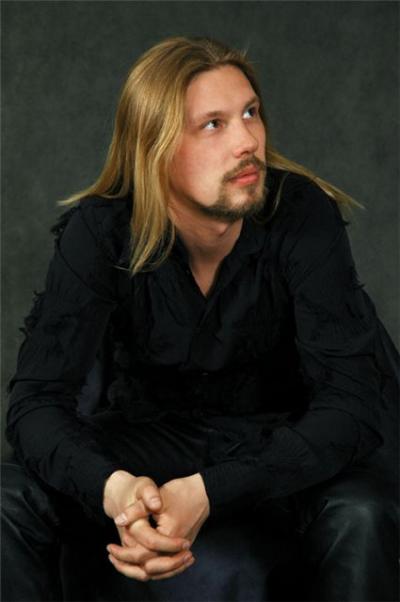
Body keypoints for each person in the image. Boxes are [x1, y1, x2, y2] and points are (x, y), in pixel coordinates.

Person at [2, 36, 399, 602]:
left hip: (281, 437)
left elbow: (351, 405)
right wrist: (116, 489)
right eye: (214, 124)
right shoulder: (100, 231)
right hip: (153, 438)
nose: (248, 141)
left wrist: (210, 491)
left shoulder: (301, 214)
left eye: (250, 113)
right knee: (7, 498)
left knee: (363, 511)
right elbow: (36, 404)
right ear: (156, 147)